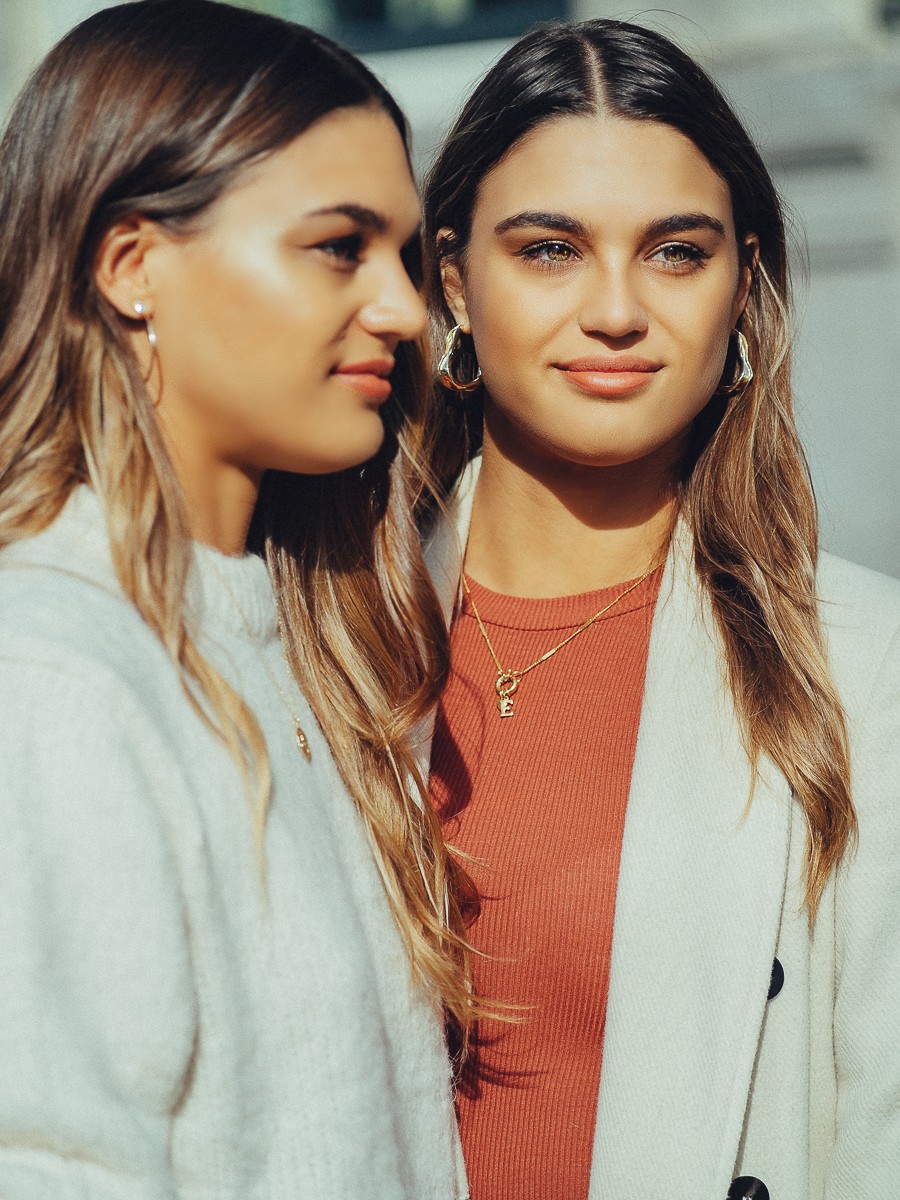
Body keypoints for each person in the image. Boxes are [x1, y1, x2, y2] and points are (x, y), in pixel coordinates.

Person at [420, 17, 900, 1200]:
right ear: (451, 285)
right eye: (549, 250)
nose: (618, 309)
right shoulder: (318, 636)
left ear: (745, 283)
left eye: (676, 252)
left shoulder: (863, 669)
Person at [0, 2, 474, 1196]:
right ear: (130, 266)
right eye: (337, 246)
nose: (406, 309)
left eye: (406, 256)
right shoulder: (50, 677)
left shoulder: (308, 642)